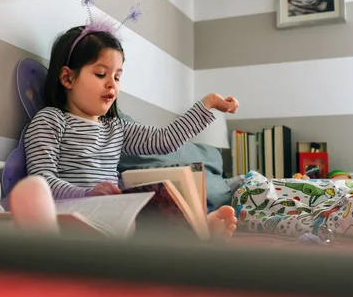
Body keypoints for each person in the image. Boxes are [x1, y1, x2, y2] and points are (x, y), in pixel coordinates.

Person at [24, 24, 240, 238]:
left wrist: (207, 104)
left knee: (155, 213)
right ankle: (195, 235)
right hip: (70, 216)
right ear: (67, 78)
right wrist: (87, 194)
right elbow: (41, 181)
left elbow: (164, 140)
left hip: (112, 219)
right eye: (101, 74)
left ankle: (199, 230)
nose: (112, 85)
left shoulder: (116, 128)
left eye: (117, 77)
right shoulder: (51, 120)